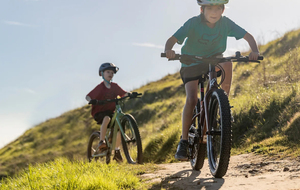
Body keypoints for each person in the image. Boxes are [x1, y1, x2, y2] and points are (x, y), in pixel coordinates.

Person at [164, 0, 260, 161]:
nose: (214, 12)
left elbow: (248, 36)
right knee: (192, 98)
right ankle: (184, 140)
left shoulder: (225, 23)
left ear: (223, 10)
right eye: (210, 8)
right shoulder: (193, 23)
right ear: (202, 9)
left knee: (227, 63)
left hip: (213, 60)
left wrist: (255, 51)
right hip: (191, 63)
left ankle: (223, 107)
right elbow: (172, 39)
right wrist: (169, 50)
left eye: (218, 8)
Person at [86, 62, 130, 162]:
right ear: (102, 74)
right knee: (107, 118)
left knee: (118, 128)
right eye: (108, 72)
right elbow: (88, 96)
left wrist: (129, 94)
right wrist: (91, 100)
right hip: (99, 112)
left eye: (112, 72)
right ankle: (101, 141)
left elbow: (123, 93)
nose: (110, 74)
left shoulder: (114, 86)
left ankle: (117, 151)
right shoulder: (100, 87)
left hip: (110, 111)